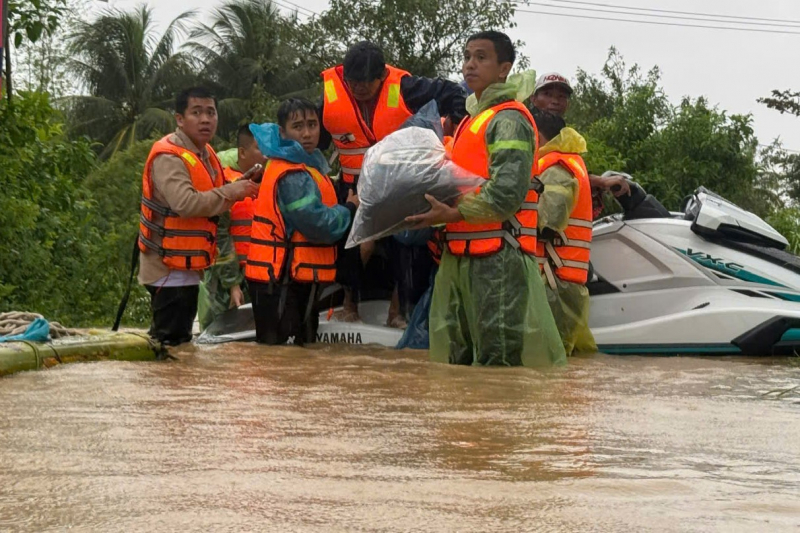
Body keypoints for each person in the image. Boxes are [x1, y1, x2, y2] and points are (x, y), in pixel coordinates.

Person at [406, 31, 566, 367]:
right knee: (461, 359)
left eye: (481, 57)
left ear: (504, 68)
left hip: (499, 257)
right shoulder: (470, 120)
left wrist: (452, 213)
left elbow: (507, 193)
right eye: (467, 57)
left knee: (498, 359)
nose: (469, 65)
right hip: (463, 254)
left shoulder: (508, 119)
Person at [319, 40, 468, 325]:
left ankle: (395, 313)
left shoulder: (406, 87)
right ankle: (349, 306)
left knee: (406, 242)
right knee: (360, 245)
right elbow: (316, 137)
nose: (358, 88)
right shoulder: (332, 92)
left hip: (400, 184)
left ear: (382, 76)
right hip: (355, 187)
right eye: (353, 82)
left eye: (366, 82)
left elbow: (451, 92)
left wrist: (458, 123)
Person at [138, 87, 259, 345]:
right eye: (197, 112)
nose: (205, 119)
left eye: (211, 113)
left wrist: (238, 188)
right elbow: (185, 203)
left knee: (177, 343)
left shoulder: (205, 154)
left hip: (186, 267)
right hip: (167, 269)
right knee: (171, 343)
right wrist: (231, 192)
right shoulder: (169, 156)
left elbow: (214, 195)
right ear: (180, 119)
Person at [245, 98, 359, 345]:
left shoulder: (304, 167)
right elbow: (317, 224)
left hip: (291, 279)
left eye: (312, 125)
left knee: (297, 356)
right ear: (283, 132)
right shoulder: (292, 174)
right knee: (284, 357)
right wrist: (349, 208)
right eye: (298, 126)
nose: (307, 133)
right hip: (280, 281)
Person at [532, 107, 598, 355]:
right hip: (563, 281)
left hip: (554, 282)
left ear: (537, 136)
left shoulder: (556, 169)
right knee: (572, 361)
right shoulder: (567, 162)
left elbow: (548, 223)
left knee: (549, 360)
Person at [529, 71, 631, 213]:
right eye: (547, 94)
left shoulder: (565, 135)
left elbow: (568, 173)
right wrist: (600, 181)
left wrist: (598, 182)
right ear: (533, 99)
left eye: (561, 96)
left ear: (568, 104)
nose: (555, 101)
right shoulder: (525, 129)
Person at [197, 125, 266, 331]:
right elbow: (220, 236)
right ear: (242, 153)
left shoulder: (270, 182)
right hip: (224, 280)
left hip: (257, 275)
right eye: (260, 148)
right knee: (217, 334)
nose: (266, 154)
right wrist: (233, 284)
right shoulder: (225, 183)